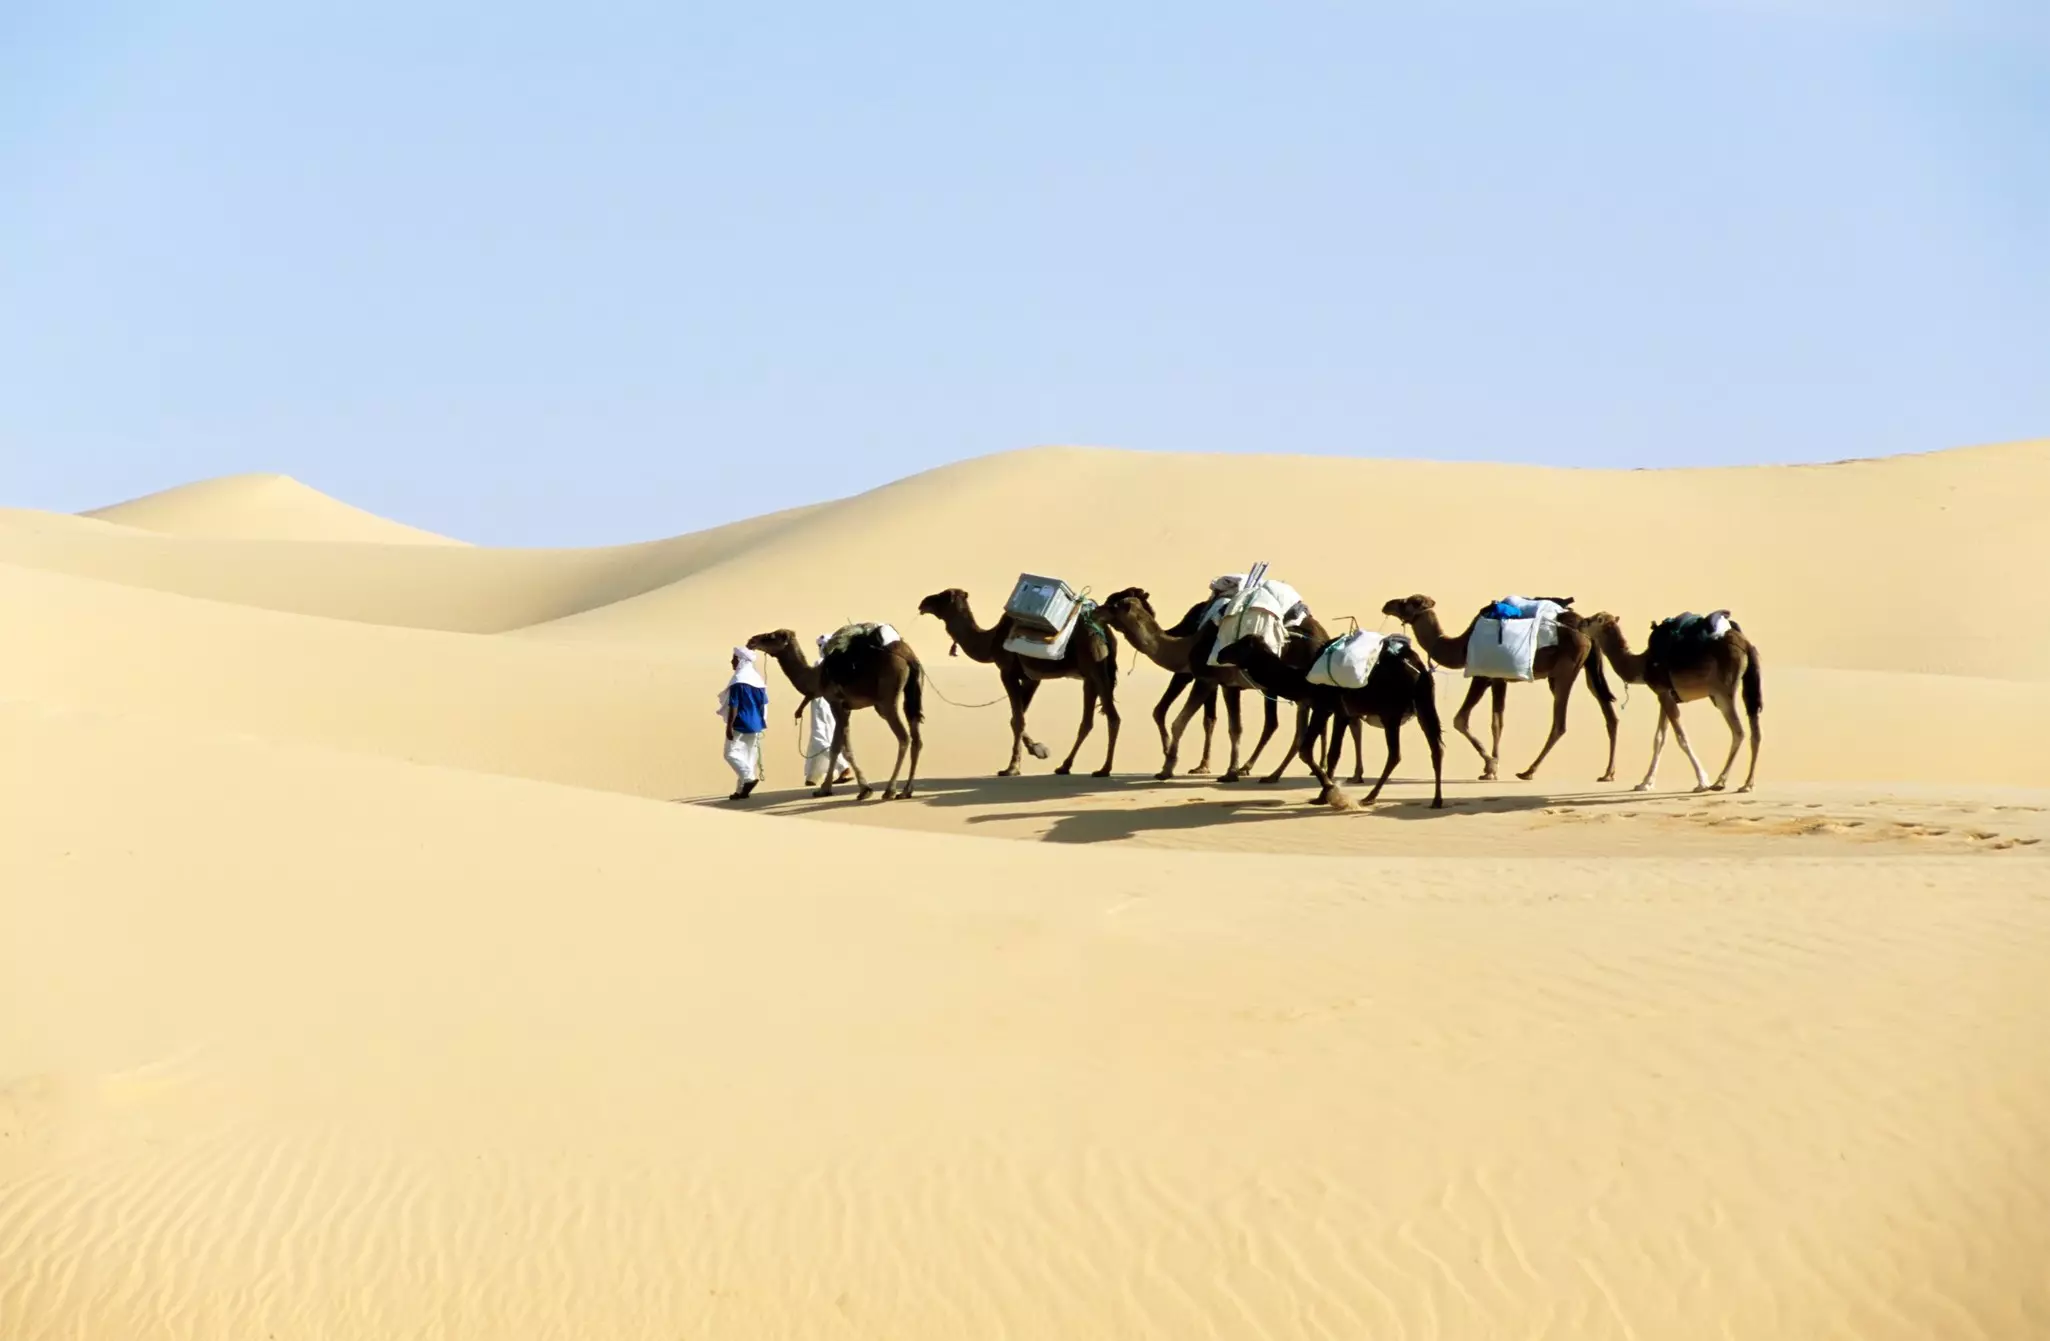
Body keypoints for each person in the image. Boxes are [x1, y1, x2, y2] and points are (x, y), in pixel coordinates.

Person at [801, 634, 854, 787]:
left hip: (821, 705)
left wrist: (801, 707)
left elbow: (812, 689)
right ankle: (813, 776)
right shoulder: (838, 664)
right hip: (833, 705)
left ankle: (844, 768)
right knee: (822, 736)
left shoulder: (820, 663)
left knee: (820, 737)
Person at [717, 647, 769, 800]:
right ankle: (741, 791)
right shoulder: (758, 681)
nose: (732, 661)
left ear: (741, 660)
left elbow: (734, 705)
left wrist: (729, 726)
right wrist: (761, 722)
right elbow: (764, 704)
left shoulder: (738, 680)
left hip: (740, 722)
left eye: (734, 658)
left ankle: (748, 778)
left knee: (730, 754)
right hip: (756, 724)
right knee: (747, 756)